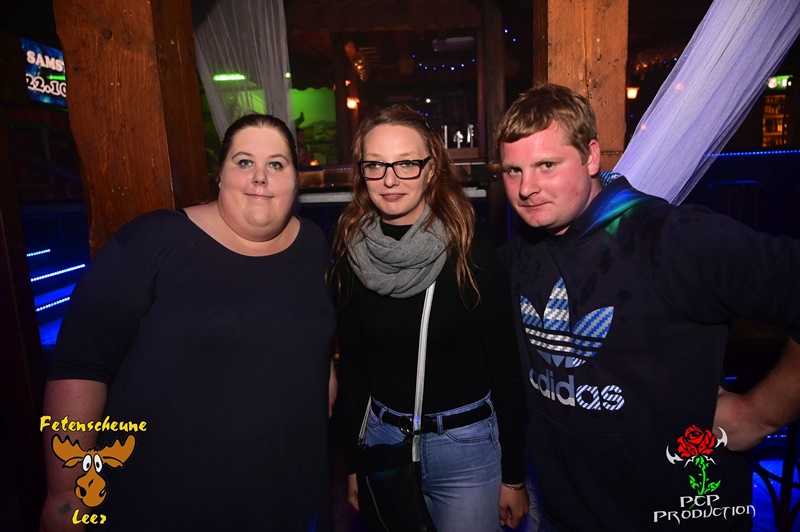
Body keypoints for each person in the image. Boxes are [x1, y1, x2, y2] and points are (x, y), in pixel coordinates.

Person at [497, 82, 800, 531]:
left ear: (591, 157)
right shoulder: (523, 250)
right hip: (567, 515)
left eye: (547, 165)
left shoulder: (670, 237)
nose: (527, 188)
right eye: (513, 171)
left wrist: (760, 413)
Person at [39, 114, 337, 531]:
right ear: (220, 174)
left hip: (288, 489)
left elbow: (308, 337)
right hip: (168, 496)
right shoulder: (154, 240)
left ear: (295, 179)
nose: (260, 177)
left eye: (276, 164)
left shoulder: (312, 244)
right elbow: (80, 365)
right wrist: (66, 495)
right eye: (244, 162)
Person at [330, 104, 529, 531]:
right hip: (383, 444)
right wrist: (354, 463)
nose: (390, 179)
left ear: (431, 169)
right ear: (361, 172)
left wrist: (514, 475)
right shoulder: (351, 255)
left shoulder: (469, 252)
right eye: (375, 165)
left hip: (465, 449)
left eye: (406, 163)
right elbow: (354, 368)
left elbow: (506, 368)